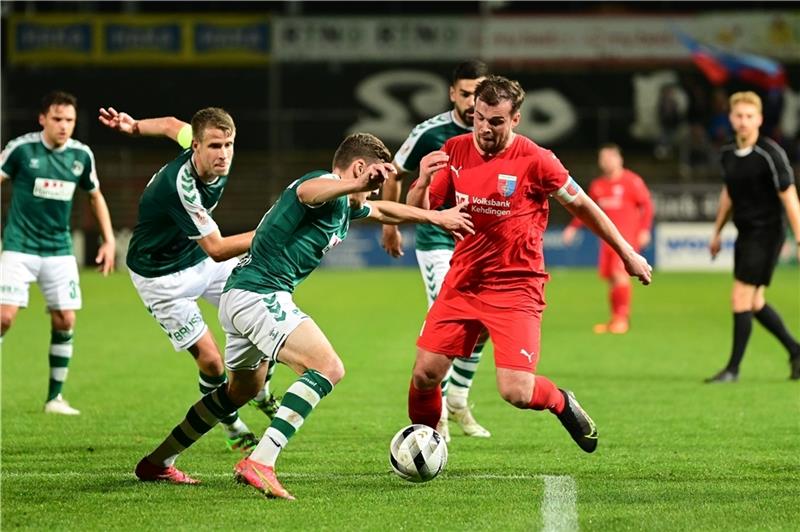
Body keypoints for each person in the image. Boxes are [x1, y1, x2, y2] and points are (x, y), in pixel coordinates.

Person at [131, 132, 474, 499]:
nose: (372, 192)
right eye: (372, 182)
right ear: (359, 168)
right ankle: (260, 462)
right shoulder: (321, 184)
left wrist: (434, 217)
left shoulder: (346, 205)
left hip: (242, 293)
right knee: (328, 367)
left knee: (239, 391)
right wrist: (357, 184)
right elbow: (306, 192)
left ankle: (158, 462)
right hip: (259, 294)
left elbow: (383, 210)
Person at [405, 76, 652, 454]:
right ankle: (423, 449)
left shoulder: (536, 159)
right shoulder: (454, 150)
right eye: (479, 118)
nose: (485, 128)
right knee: (425, 373)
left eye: (496, 121)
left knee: (516, 391)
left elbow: (583, 205)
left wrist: (627, 252)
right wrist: (422, 182)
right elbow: (423, 212)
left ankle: (561, 401)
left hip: (516, 286)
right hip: (464, 281)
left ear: (516, 119)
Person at [98, 106, 277, 451]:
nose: (223, 154)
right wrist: (275, 229)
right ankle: (230, 423)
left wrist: (134, 126)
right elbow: (218, 248)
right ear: (195, 146)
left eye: (228, 144)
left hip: (197, 259)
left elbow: (167, 123)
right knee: (211, 362)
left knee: (261, 309)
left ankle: (262, 391)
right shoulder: (181, 187)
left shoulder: (205, 149)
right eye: (214, 146)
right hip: (161, 276)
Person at [382, 60, 491, 442]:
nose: (471, 102)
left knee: (483, 325)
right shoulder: (430, 132)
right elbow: (394, 172)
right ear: (452, 93)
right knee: (448, 324)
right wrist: (390, 224)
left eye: (478, 94)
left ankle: (459, 398)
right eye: (465, 94)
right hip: (436, 239)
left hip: (477, 240)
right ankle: (439, 415)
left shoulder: (495, 133)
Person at [0, 91, 116, 415]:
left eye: (69, 120)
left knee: (65, 318)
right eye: (57, 119)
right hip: (19, 246)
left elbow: (95, 196)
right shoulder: (22, 149)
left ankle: (55, 398)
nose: (64, 126)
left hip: (59, 250)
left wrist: (108, 239)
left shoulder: (82, 155)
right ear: (42, 119)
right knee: (3, 317)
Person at [705, 91, 800, 383]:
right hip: (745, 232)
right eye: (739, 116)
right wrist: (717, 231)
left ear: (759, 119)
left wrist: (799, 238)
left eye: (749, 116)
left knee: (741, 297)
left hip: (768, 233)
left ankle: (732, 369)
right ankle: (797, 352)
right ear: (731, 118)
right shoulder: (727, 153)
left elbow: (790, 197)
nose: (744, 122)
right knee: (755, 302)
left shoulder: (770, 154)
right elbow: (728, 195)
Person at [562, 144, 653, 334]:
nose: (606, 161)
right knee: (612, 279)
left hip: (627, 238)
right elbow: (585, 209)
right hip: (607, 241)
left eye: (610, 157)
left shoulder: (632, 181)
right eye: (603, 158)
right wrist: (572, 228)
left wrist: (645, 230)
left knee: (621, 276)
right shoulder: (598, 185)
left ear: (619, 159)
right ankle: (615, 319)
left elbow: (647, 206)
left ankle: (622, 319)